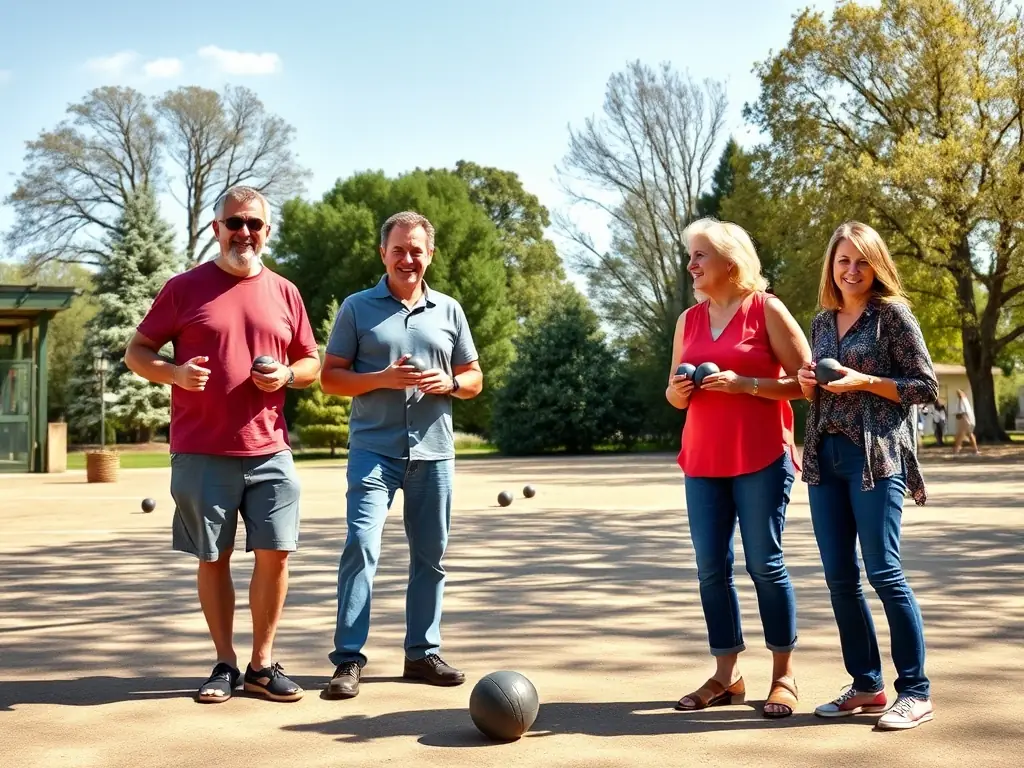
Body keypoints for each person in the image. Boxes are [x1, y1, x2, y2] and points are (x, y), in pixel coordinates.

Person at [125, 185, 321, 704]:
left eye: (254, 224)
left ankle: (262, 663)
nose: (244, 233)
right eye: (234, 223)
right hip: (201, 448)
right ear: (216, 229)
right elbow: (137, 351)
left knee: (276, 554)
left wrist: (286, 374)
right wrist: (174, 373)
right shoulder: (183, 288)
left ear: (267, 231)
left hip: (270, 448)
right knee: (214, 557)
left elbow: (311, 362)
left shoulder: (285, 292)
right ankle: (225, 663)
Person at [320, 210, 483, 699]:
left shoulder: (449, 310)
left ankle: (422, 653)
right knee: (361, 548)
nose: (407, 258)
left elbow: (474, 378)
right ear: (383, 254)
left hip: (434, 454)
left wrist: (451, 383)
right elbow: (330, 377)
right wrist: (380, 379)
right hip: (374, 451)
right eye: (399, 250)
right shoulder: (356, 307)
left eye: (417, 250)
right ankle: (349, 659)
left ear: (429, 254)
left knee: (430, 558)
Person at [666, 217, 811, 719]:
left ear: (731, 263)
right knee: (711, 569)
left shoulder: (766, 309)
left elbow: (807, 382)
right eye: (692, 256)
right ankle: (726, 675)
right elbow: (671, 393)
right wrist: (679, 392)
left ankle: (783, 675)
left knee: (764, 564)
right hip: (702, 458)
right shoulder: (688, 320)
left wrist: (746, 384)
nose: (691, 265)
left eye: (700, 256)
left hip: (761, 455)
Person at [797, 221, 938, 731]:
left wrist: (866, 381)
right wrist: (806, 379)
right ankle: (866, 684)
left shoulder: (892, 315)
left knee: (883, 573)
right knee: (840, 578)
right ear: (831, 266)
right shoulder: (820, 321)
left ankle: (916, 691)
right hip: (825, 457)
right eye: (843, 261)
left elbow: (925, 385)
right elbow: (820, 385)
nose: (852, 271)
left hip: (876, 458)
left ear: (876, 265)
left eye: (861, 261)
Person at [952, 389, 980, 455]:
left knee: (961, 435)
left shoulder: (963, 400)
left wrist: (961, 417)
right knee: (969, 434)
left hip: (965, 419)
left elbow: (963, 412)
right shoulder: (961, 401)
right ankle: (975, 449)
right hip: (965, 419)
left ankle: (956, 449)